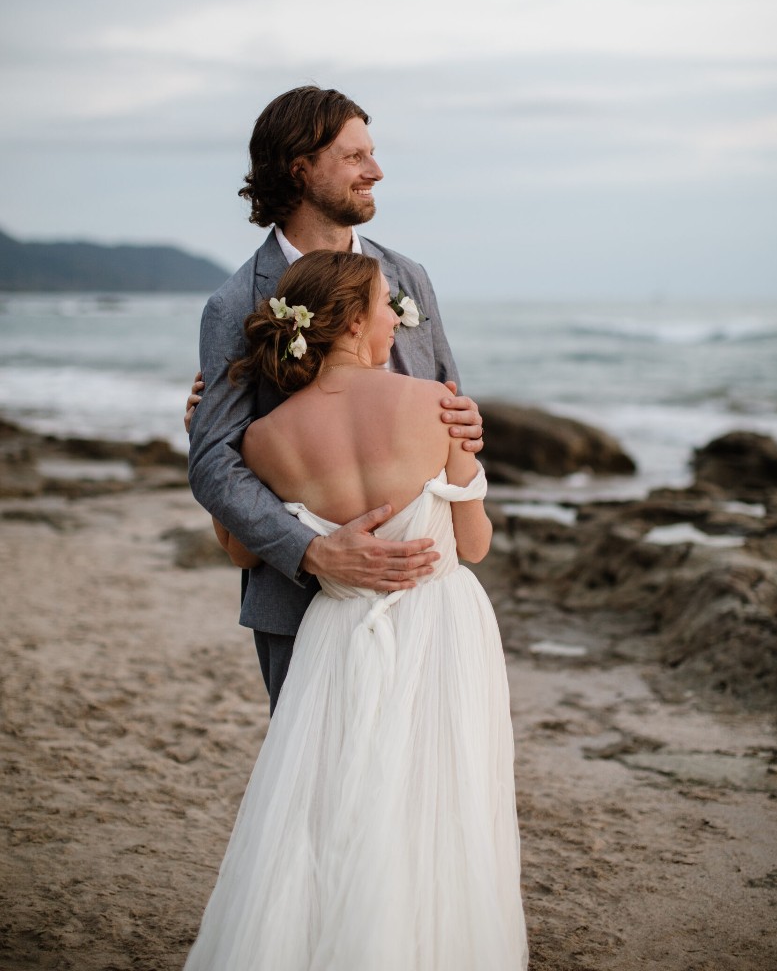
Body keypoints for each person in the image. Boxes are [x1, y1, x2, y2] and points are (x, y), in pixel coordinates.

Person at [183, 250, 528, 971]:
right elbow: (475, 542)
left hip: (334, 634)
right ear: (348, 321)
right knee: (441, 806)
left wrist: (199, 432)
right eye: (383, 306)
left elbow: (243, 550)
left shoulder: (261, 440)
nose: (392, 320)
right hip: (439, 625)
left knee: (331, 811)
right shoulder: (434, 403)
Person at [187, 86, 483, 710]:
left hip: (425, 596)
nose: (375, 171)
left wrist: (467, 424)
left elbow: (451, 399)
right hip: (303, 605)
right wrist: (317, 553)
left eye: (372, 154)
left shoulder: (408, 279)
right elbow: (213, 462)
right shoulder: (235, 303)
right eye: (355, 158)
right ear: (301, 168)